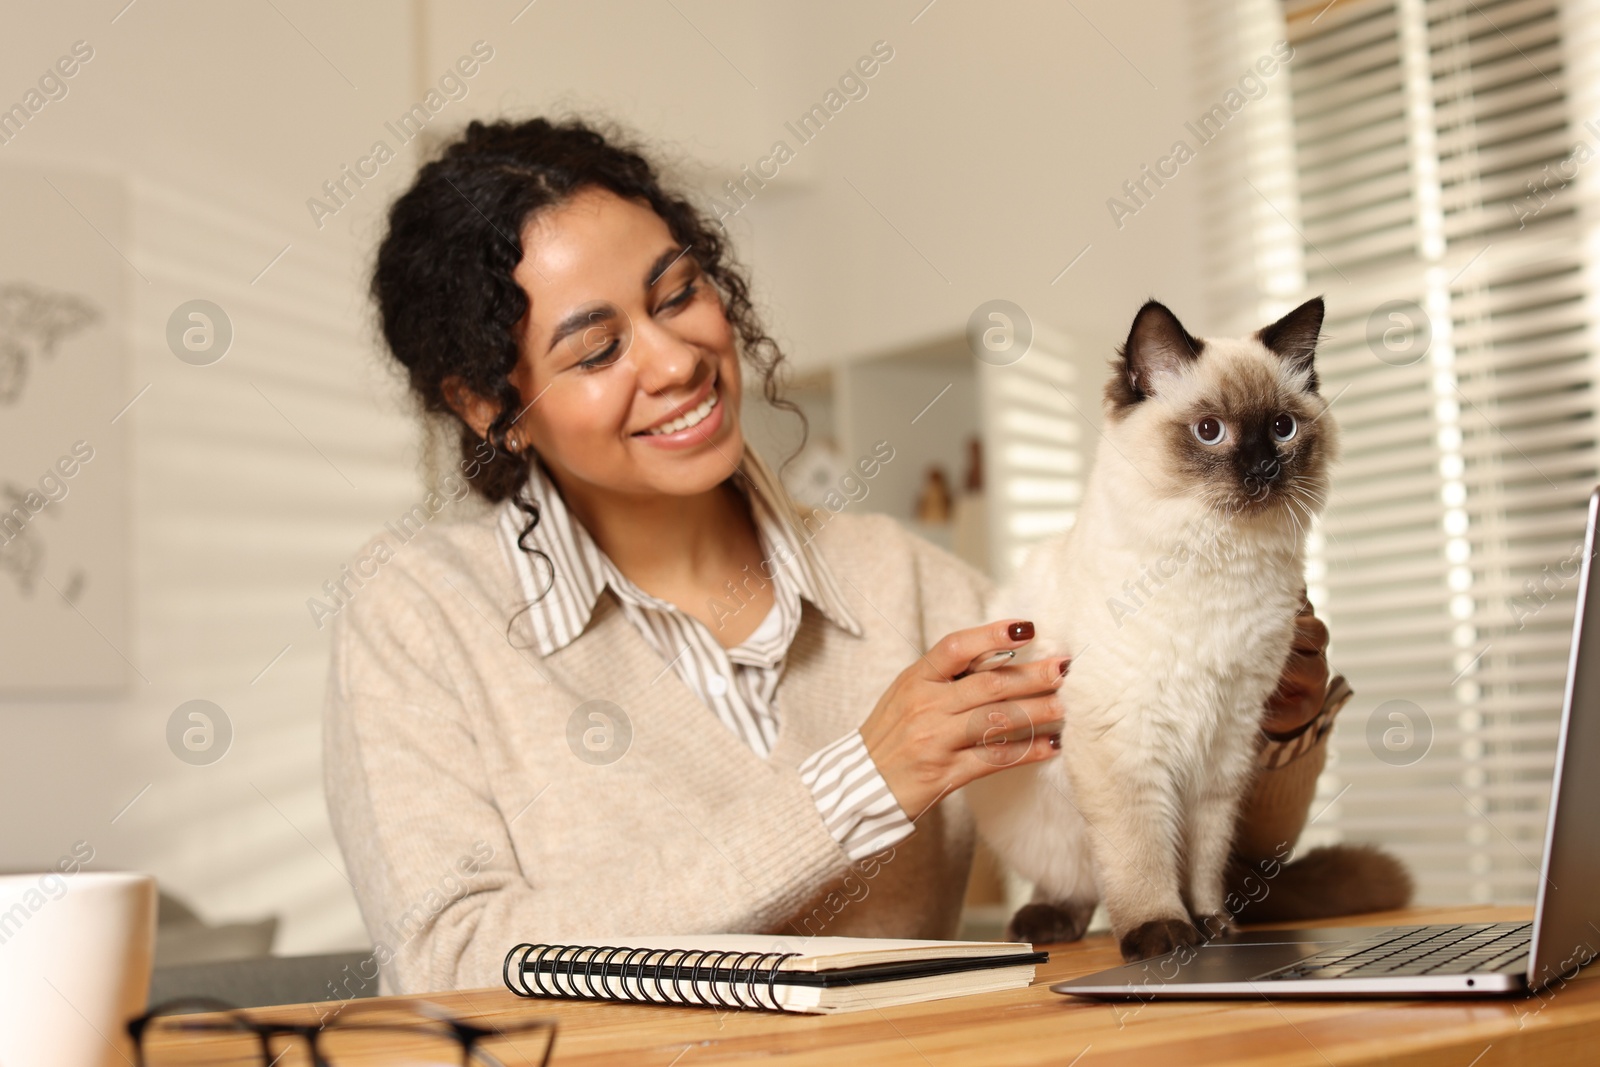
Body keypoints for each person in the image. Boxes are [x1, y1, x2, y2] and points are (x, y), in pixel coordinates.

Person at [324, 116, 1342, 994]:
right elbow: (447, 961)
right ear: (488, 403)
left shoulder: (908, 581)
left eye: (678, 294)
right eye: (597, 350)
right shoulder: (420, 609)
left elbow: (1169, 843)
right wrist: (854, 783)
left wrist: (1276, 736)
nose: (675, 358)